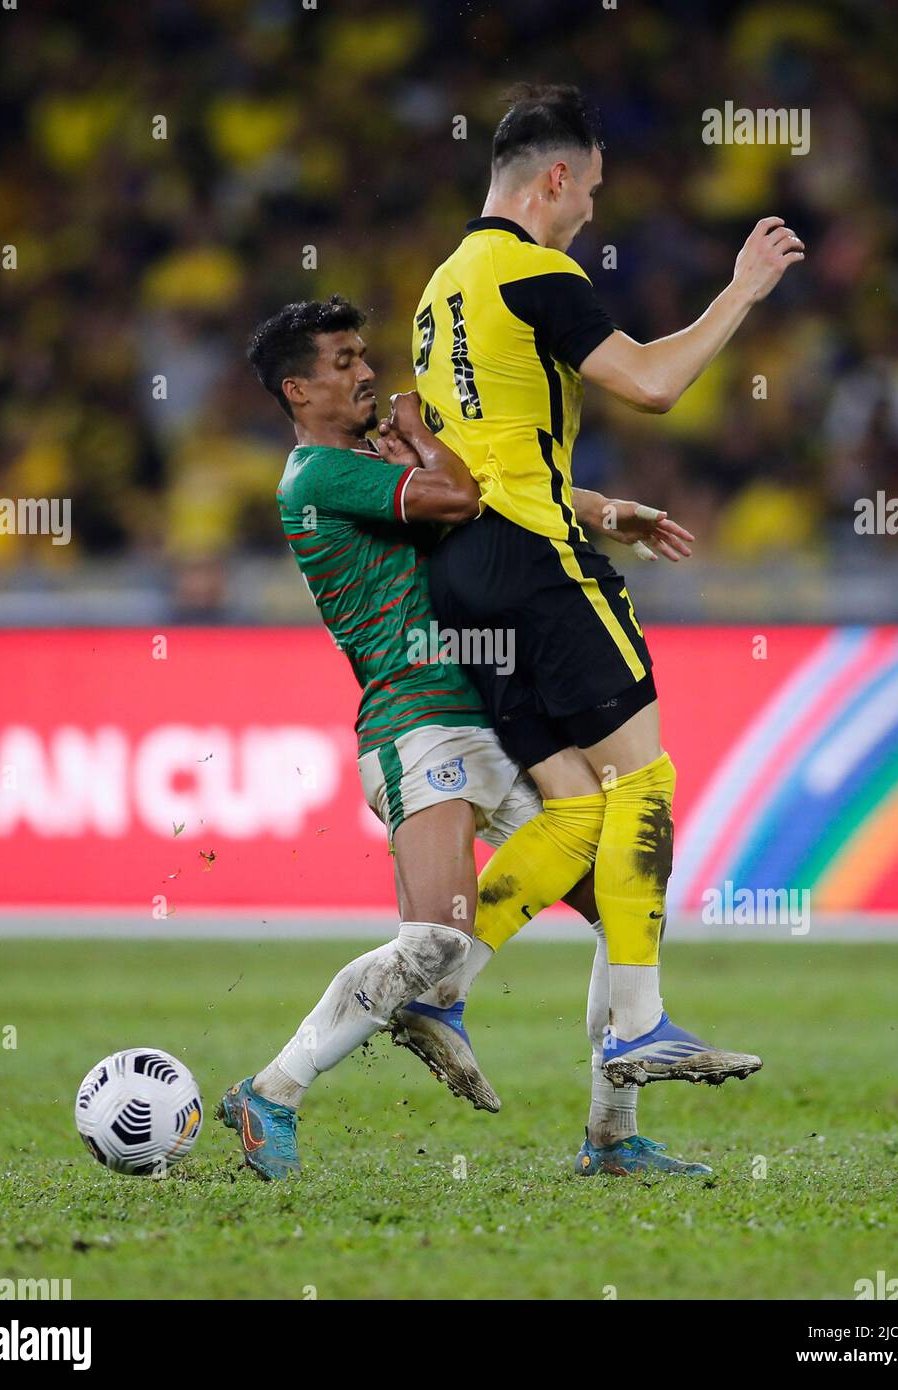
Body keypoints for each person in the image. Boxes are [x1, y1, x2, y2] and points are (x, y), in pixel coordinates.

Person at [218, 295, 709, 1180]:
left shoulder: (378, 460)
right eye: (341, 362)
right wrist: (414, 419)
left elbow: (504, 496)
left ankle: (611, 1137)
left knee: (623, 913)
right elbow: (459, 494)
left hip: (487, 717)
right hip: (415, 724)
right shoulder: (316, 477)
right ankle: (271, 1090)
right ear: (296, 389)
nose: (366, 371)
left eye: (364, 355)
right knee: (434, 944)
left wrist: (597, 509)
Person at [413, 83, 803, 1105]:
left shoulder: (440, 289)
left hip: (461, 575)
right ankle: (640, 1026)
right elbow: (654, 384)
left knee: (578, 811)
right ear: (554, 178)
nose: (592, 210)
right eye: (589, 188)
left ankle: (432, 981)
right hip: (538, 567)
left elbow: (477, 462)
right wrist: (742, 291)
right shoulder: (538, 274)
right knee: (646, 780)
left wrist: (592, 504)